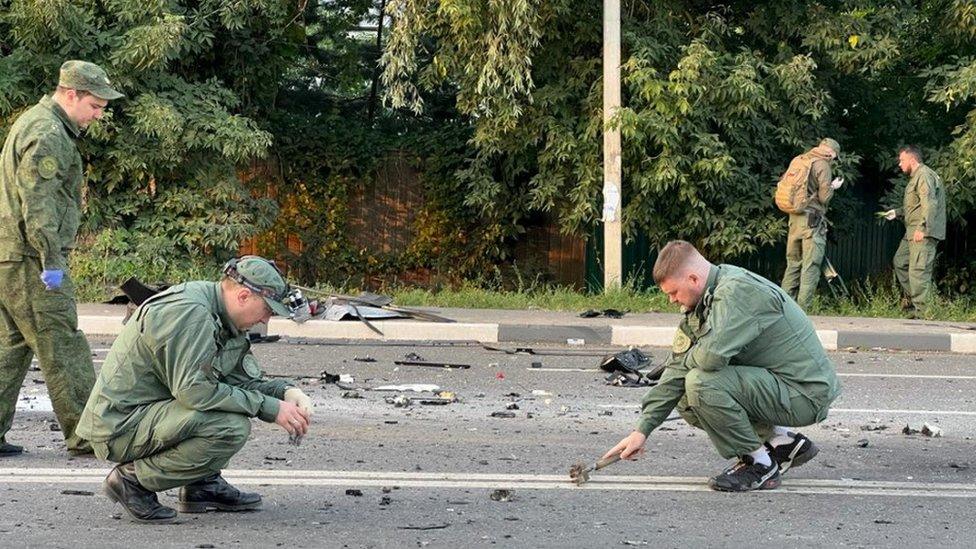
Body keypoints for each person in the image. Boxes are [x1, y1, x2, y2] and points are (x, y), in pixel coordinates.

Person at [76, 256, 314, 523]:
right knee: (229, 427)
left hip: (150, 414)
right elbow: (195, 392)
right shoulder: (192, 314)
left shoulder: (224, 316)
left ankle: (202, 485)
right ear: (244, 296)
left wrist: (287, 393)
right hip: (119, 426)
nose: (265, 320)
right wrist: (268, 408)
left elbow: (238, 381)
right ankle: (132, 481)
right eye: (268, 310)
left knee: (228, 409)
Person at [604, 240, 841, 492]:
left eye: (673, 293)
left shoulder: (737, 293)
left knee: (701, 382)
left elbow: (709, 359)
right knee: (685, 393)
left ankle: (759, 465)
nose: (671, 300)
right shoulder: (704, 301)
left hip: (805, 393)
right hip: (778, 385)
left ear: (693, 279)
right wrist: (642, 430)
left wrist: (687, 361)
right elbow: (676, 368)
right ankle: (781, 442)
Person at [0, 60, 124, 457]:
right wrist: (51, 261)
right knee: (62, 344)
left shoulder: (34, 122)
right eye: (96, 105)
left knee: (11, 347)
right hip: (32, 259)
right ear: (72, 94)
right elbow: (39, 205)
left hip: (11, 256)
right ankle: (89, 434)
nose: (98, 114)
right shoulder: (48, 132)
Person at [880, 146, 946, 318]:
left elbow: (929, 204)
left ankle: (924, 313)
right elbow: (916, 205)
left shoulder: (924, 175)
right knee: (900, 261)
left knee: (918, 270)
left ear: (912, 159)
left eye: (902, 161)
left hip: (921, 232)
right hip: (911, 231)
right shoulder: (917, 177)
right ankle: (916, 305)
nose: (900, 165)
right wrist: (897, 212)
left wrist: (923, 229)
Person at [780, 138, 844, 310]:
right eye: (834, 157)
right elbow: (824, 197)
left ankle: (784, 309)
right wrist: (832, 187)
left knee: (793, 264)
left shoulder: (799, 159)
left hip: (794, 219)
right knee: (811, 266)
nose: (833, 159)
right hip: (812, 222)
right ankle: (802, 311)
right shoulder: (822, 165)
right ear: (831, 153)